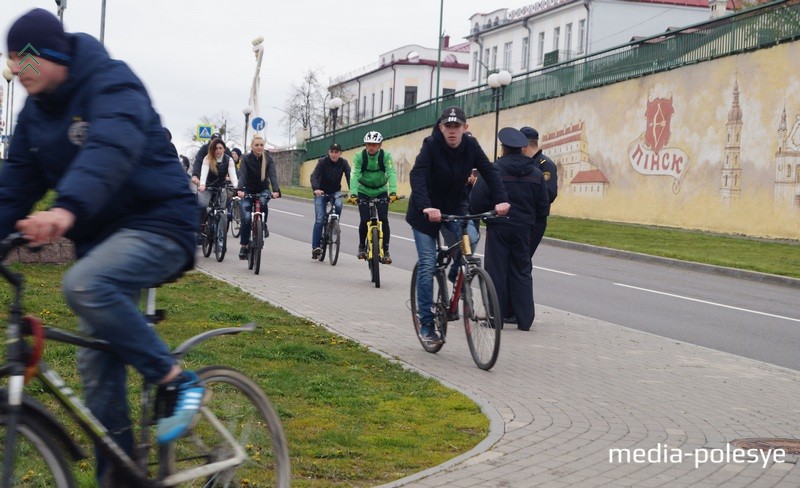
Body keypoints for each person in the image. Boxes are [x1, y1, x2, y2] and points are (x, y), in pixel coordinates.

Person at [0, 9, 204, 484]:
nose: (14, 71)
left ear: (51, 54)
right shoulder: (35, 116)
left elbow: (110, 148)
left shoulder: (111, 83)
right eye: (9, 62)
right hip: (102, 240)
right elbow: (12, 189)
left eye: (22, 60)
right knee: (96, 362)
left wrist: (66, 208)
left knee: (85, 284)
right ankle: (122, 475)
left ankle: (178, 381)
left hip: (160, 222)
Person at [406, 106, 510, 344]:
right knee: (428, 265)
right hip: (426, 213)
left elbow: (490, 172)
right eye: (448, 127)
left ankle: (457, 274)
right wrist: (426, 207)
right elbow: (418, 176)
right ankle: (427, 324)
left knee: (471, 239)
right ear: (441, 127)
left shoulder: (470, 145)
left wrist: (501, 199)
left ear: (465, 127)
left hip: (455, 207)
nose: (453, 132)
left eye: (457, 126)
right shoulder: (430, 145)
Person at [470, 127, 550, 331]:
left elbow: (476, 201)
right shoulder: (536, 173)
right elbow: (543, 207)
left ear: (503, 148)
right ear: (523, 149)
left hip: (499, 227)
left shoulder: (494, 170)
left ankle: (496, 317)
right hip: (524, 228)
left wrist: (486, 213)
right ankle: (525, 320)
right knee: (522, 271)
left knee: (496, 270)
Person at [349, 131, 398, 264]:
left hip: (381, 190)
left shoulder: (385, 156)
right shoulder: (359, 156)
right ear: (365, 144)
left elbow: (391, 172)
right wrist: (353, 193)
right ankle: (362, 247)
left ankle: (386, 251)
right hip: (363, 191)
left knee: (384, 220)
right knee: (364, 220)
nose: (371, 147)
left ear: (380, 145)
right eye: (369, 144)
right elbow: (354, 174)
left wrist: (393, 192)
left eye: (375, 145)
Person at [236, 135, 281, 259]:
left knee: (263, 202)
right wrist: (240, 189)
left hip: (262, 189)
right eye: (257, 145)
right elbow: (243, 175)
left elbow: (272, 174)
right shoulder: (245, 158)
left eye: (261, 145)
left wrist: (276, 190)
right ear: (252, 146)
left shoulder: (268, 158)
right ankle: (244, 246)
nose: (259, 147)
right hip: (247, 190)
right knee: (245, 218)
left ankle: (263, 224)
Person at [520, 126, 558, 256]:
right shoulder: (525, 163)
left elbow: (550, 193)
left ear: (524, 144)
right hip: (523, 217)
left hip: (536, 219)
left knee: (523, 259)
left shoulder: (545, 164)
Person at [310, 143, 351, 259]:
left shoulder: (344, 163)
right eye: (332, 152)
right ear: (329, 152)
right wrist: (316, 189)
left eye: (336, 152)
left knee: (339, 205)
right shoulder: (322, 162)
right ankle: (316, 247)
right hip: (321, 192)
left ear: (340, 153)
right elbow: (314, 175)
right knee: (319, 218)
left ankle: (334, 225)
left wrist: (353, 191)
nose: (334, 154)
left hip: (335, 192)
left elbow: (350, 176)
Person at [197, 137, 238, 233]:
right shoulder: (207, 158)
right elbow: (203, 173)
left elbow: (233, 176)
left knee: (221, 209)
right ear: (212, 149)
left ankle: (219, 232)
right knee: (203, 205)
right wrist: (202, 184)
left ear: (224, 149)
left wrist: (237, 187)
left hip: (220, 187)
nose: (218, 150)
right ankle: (200, 228)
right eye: (215, 148)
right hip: (208, 186)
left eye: (220, 148)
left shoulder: (229, 160)